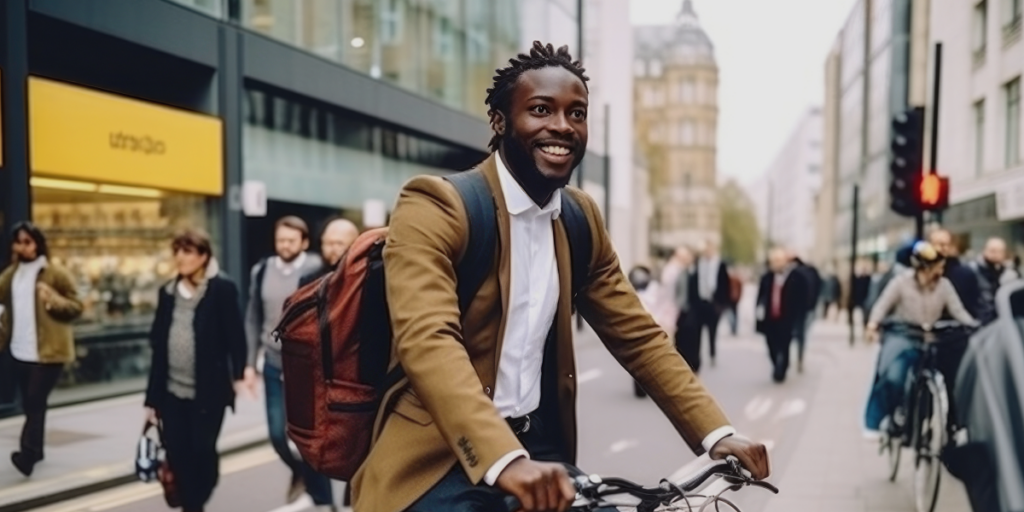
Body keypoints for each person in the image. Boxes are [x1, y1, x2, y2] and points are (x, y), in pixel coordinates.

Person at [350, 41, 770, 512]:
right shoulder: (437, 205)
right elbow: (429, 340)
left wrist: (717, 432)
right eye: (540, 110)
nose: (562, 127)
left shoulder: (579, 218)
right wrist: (502, 458)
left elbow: (639, 336)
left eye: (577, 113)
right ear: (499, 121)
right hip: (439, 458)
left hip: (538, 455)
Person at [144, 229, 252, 512]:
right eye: (177, 251)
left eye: (188, 251)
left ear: (204, 256)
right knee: (179, 454)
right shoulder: (167, 292)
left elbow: (235, 337)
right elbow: (158, 347)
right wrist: (151, 401)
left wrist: (241, 374)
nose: (180, 257)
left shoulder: (222, 289)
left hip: (210, 393)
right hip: (171, 392)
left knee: (202, 451)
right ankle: (194, 506)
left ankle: (202, 486)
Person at [244, 216, 332, 509]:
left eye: (291, 240)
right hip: (271, 363)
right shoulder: (261, 270)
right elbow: (253, 316)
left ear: (304, 243)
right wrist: (248, 364)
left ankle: (320, 496)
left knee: (305, 436)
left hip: (304, 368)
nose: (284, 245)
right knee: (276, 433)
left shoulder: (315, 270)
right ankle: (301, 475)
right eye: (280, 240)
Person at [862, 241, 978, 437]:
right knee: (894, 376)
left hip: (930, 336)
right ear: (926, 267)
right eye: (939, 266)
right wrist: (873, 324)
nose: (942, 270)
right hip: (904, 335)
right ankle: (886, 416)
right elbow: (882, 305)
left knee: (946, 375)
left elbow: (958, 311)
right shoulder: (901, 282)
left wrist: (975, 326)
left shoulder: (944, 285)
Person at [0, 222, 83, 476]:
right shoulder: (11, 275)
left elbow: (77, 306)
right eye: (18, 241)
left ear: (37, 243)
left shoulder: (54, 273)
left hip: (48, 352)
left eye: (28, 241)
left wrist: (52, 299)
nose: (23, 246)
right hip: (19, 350)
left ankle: (27, 456)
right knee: (32, 403)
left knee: (34, 402)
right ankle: (38, 451)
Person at [755, 248, 809, 383]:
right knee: (771, 344)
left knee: (784, 344)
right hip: (770, 318)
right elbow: (760, 297)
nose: (776, 264)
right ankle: (776, 364)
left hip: (786, 318)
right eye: (773, 261)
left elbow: (802, 297)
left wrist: (798, 316)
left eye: (778, 260)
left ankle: (782, 369)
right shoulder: (766, 278)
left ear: (785, 261)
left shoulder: (795, 277)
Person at [688, 240, 731, 371]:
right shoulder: (697, 263)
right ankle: (697, 357)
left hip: (714, 304)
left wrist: (722, 304)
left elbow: (725, 284)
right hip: (700, 303)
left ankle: (712, 354)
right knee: (698, 331)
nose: (708, 252)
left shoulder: (720, 264)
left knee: (712, 331)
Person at [928, 228, 982, 319]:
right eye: (934, 244)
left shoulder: (965, 274)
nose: (937, 248)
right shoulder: (920, 274)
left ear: (953, 247)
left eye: (943, 244)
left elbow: (972, 308)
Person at [968, 237, 1020, 325]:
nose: (996, 254)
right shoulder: (972, 271)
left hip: (1005, 319)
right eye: (992, 251)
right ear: (984, 250)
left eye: (1000, 251)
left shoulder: (1009, 273)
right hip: (981, 319)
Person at [300, 217, 361, 287]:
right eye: (329, 243)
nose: (333, 249)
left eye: (339, 243)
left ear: (353, 245)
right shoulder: (309, 282)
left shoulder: (362, 280)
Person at [789, 254, 820, 374]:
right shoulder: (811, 272)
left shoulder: (796, 274)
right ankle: (800, 358)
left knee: (795, 334)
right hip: (806, 309)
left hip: (797, 310)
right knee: (802, 335)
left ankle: (796, 358)